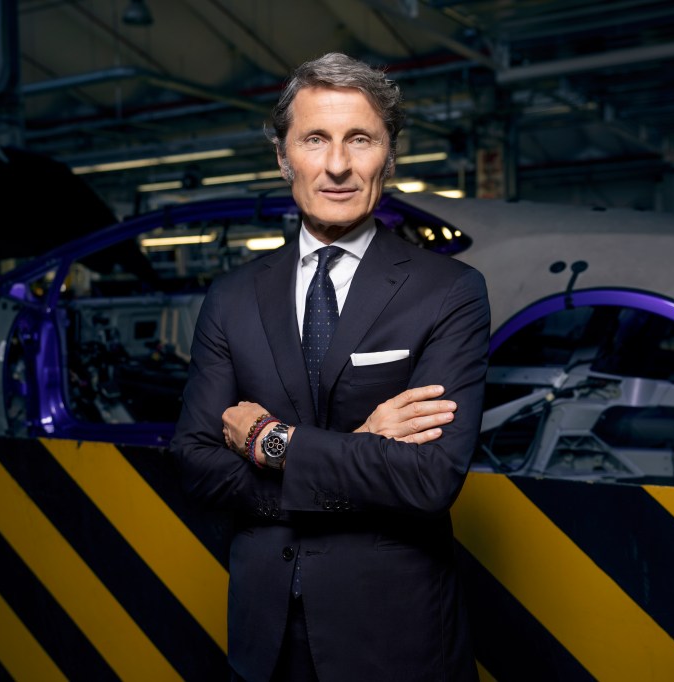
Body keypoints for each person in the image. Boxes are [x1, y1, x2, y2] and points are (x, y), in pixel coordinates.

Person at [171, 52, 490, 681]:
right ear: (284, 157)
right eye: (315, 139)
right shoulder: (232, 297)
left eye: (360, 139)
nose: (338, 164)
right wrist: (360, 455)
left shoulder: (449, 291)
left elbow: (429, 479)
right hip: (266, 639)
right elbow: (196, 464)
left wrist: (274, 441)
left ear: (388, 156)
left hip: (395, 638)